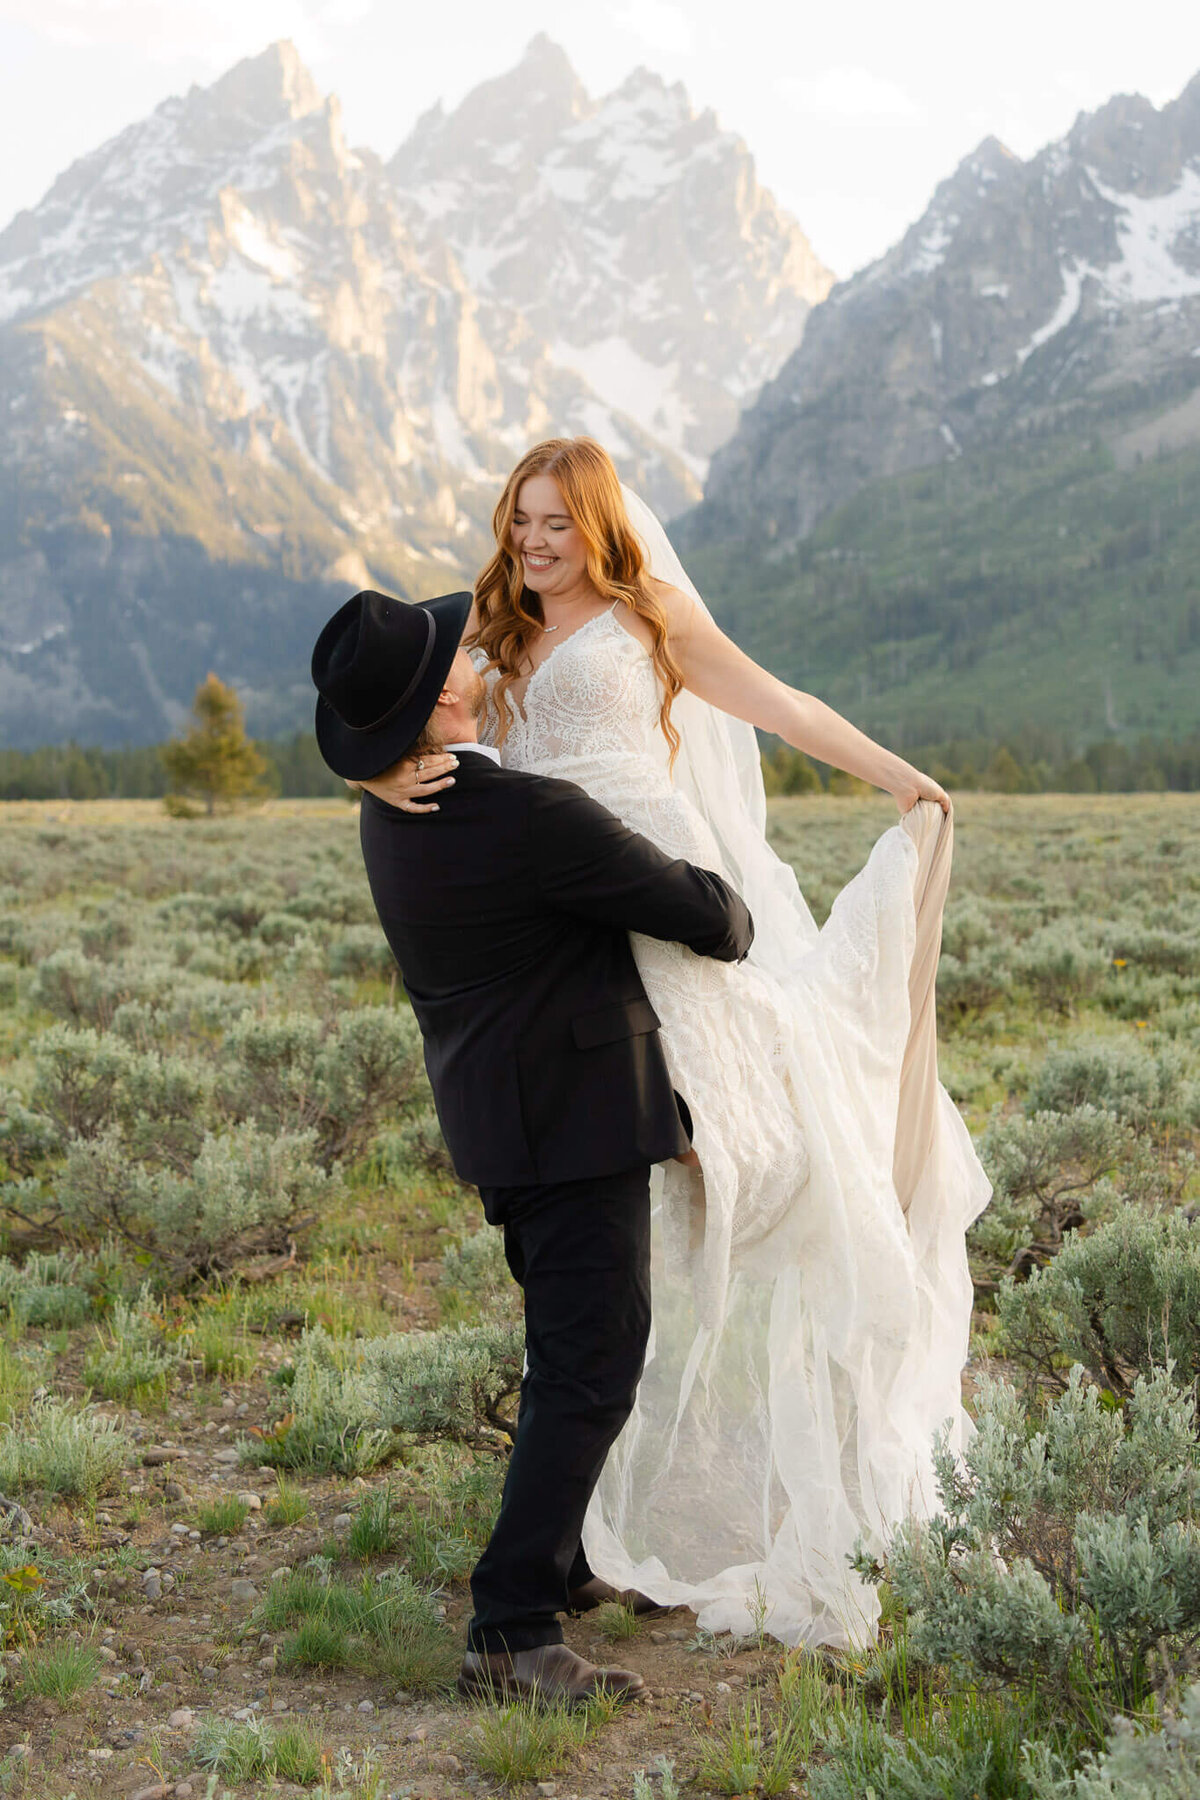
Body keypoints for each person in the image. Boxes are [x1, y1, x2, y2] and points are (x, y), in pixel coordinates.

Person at [359, 437, 993, 1650]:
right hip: (566, 925)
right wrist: (385, 777)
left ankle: (603, 1521)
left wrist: (899, 776)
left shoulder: (652, 626)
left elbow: (783, 703)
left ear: (600, 525)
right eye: (520, 522)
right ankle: (564, 1545)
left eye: (556, 524)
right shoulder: (492, 640)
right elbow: (399, 712)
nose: (534, 544)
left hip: (650, 884)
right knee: (606, 1240)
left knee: (761, 1146)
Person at [310, 585, 753, 1703]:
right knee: (592, 1363)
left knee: (571, 1351)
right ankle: (510, 1629)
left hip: (501, 1122)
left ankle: (562, 1563)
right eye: (458, 656)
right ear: (449, 699)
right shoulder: (530, 817)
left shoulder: (389, 810)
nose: (474, 657)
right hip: (573, 1121)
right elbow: (714, 917)